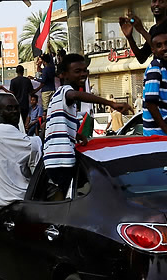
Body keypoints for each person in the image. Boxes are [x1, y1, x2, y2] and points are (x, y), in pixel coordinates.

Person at [44, 54, 133, 195]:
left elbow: (51, 128)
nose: (83, 74)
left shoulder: (58, 100)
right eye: (77, 71)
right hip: (62, 161)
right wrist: (111, 103)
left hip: (54, 160)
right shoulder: (65, 91)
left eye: (85, 70)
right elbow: (74, 95)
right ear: (64, 75)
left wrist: (76, 134)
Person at [119, 0, 167, 117]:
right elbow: (141, 57)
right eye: (154, 1)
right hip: (157, 95)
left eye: (161, 2)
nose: (156, 5)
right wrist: (129, 37)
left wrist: (141, 30)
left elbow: (163, 50)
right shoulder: (153, 30)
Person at [0, 96, 42, 214]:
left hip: (12, 197)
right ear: (0, 112)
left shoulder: (7, 132)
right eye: (9, 108)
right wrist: (45, 133)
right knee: (57, 194)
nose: (14, 111)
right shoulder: (3, 131)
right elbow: (33, 146)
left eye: (16, 108)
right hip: (15, 198)